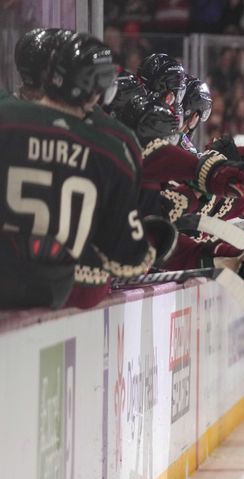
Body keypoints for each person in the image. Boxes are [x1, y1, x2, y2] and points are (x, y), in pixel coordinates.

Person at [0, 32, 155, 309]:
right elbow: (128, 259)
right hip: (55, 293)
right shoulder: (112, 151)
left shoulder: (7, 120)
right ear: (98, 90)